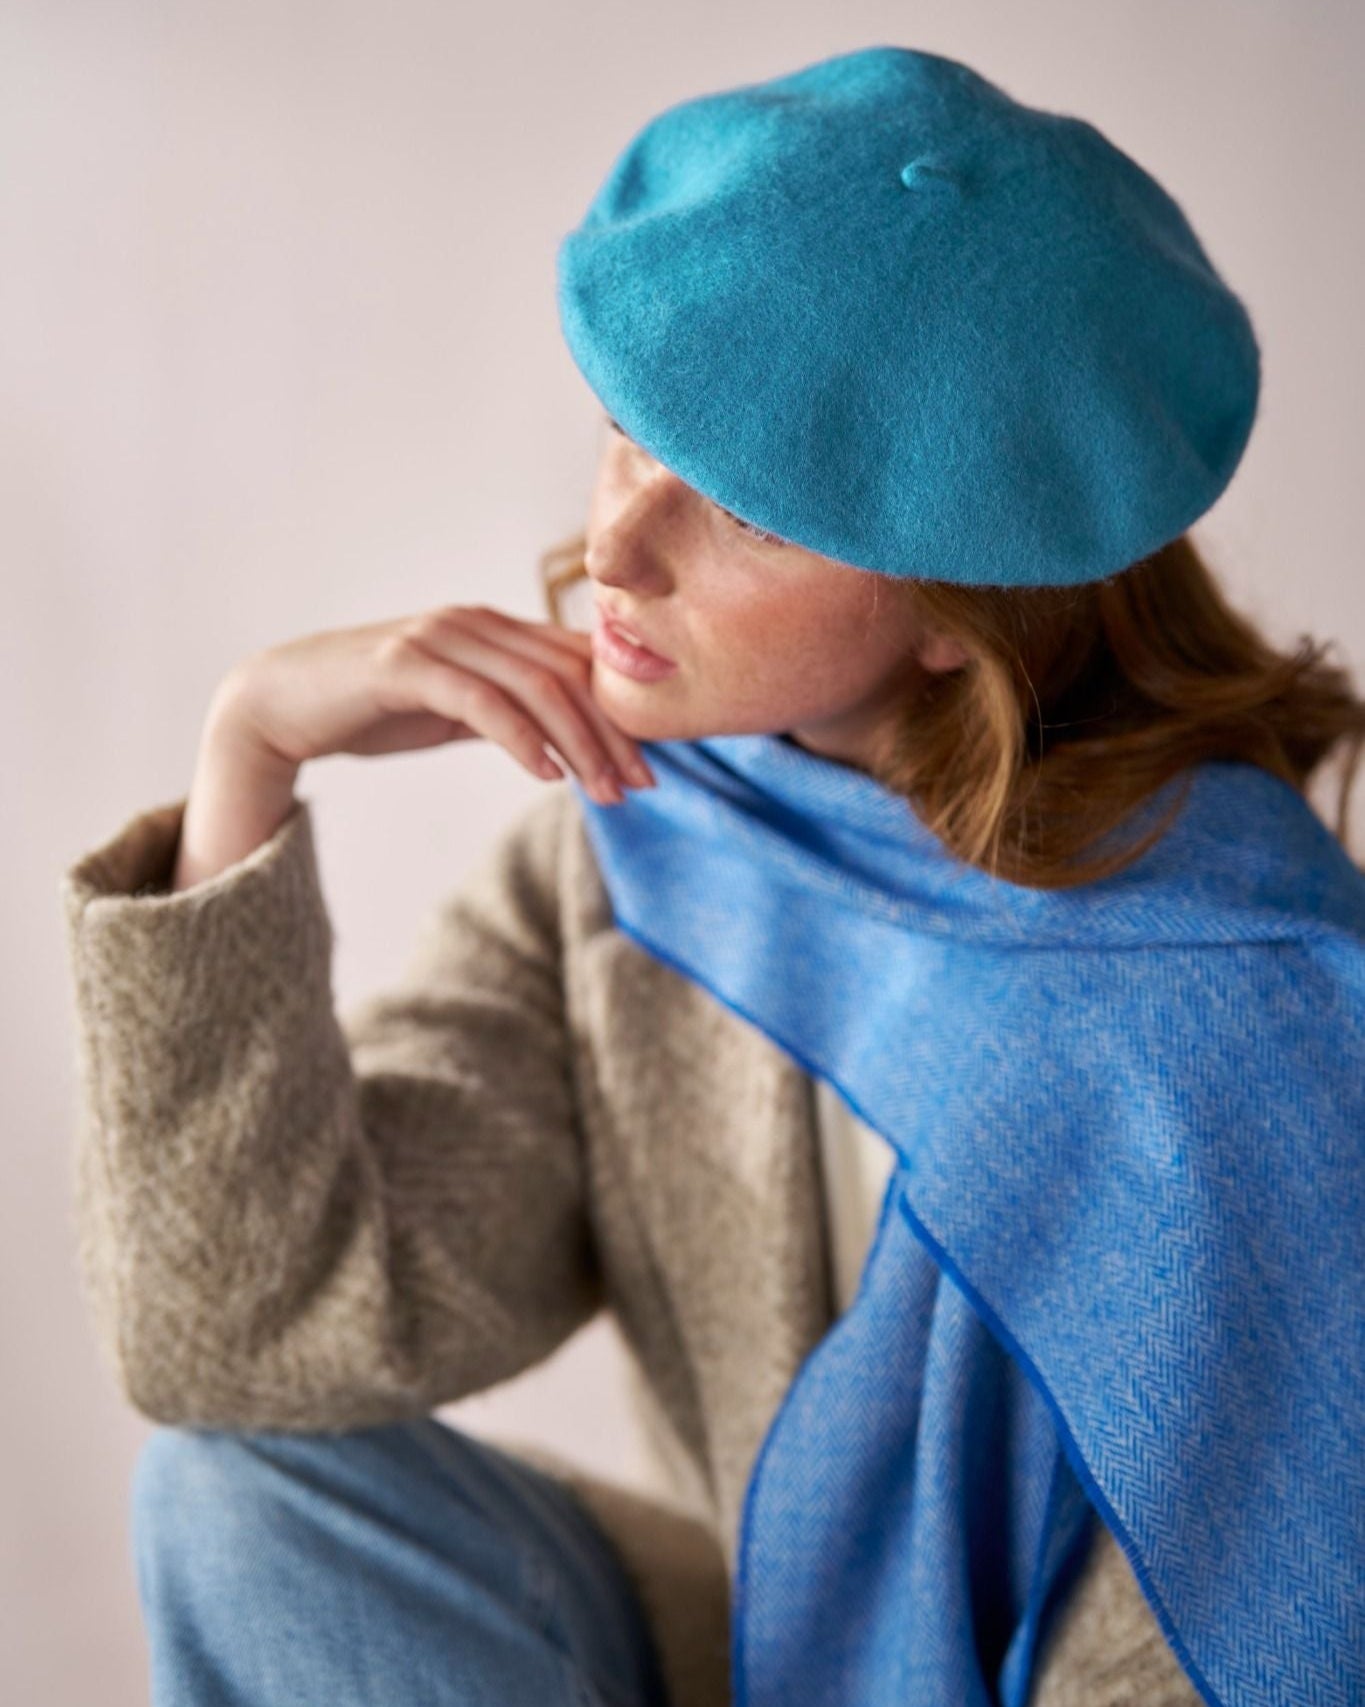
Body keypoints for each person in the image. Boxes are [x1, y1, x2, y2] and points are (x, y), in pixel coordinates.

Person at [59, 44, 1365, 1707]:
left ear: (966, 613)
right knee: (236, 1493)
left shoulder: (1249, 1031)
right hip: (765, 1647)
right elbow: (246, 1337)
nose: (614, 544)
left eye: (742, 509)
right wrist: (246, 753)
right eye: (627, 433)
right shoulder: (649, 840)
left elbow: (1257, 1630)